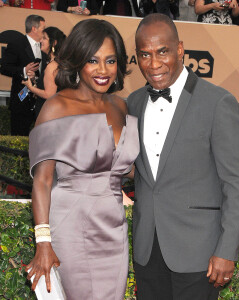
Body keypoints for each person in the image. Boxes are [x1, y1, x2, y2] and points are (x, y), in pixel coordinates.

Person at [127, 13, 239, 300]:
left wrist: (226, 250)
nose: (154, 64)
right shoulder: (133, 102)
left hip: (199, 253)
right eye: (145, 55)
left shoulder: (218, 102)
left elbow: (236, 183)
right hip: (148, 249)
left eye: (163, 52)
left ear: (180, 49)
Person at [26, 19, 139, 299]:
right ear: (77, 61)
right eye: (92, 60)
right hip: (71, 227)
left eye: (110, 61)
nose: (103, 70)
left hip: (113, 230)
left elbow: (134, 170)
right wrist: (43, 242)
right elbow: (42, 180)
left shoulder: (122, 106)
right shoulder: (57, 107)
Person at [0, 15, 46, 136]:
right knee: (19, 135)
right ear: (34, 28)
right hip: (21, 101)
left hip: (41, 102)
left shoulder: (45, 46)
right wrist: (24, 70)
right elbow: (4, 68)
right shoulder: (16, 44)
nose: (44, 31)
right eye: (42, 28)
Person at [22, 27, 66, 119]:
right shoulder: (55, 63)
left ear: (54, 43)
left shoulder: (52, 66)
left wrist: (30, 87)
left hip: (48, 113)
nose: (40, 40)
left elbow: (49, 94)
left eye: (44, 38)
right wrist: (35, 80)